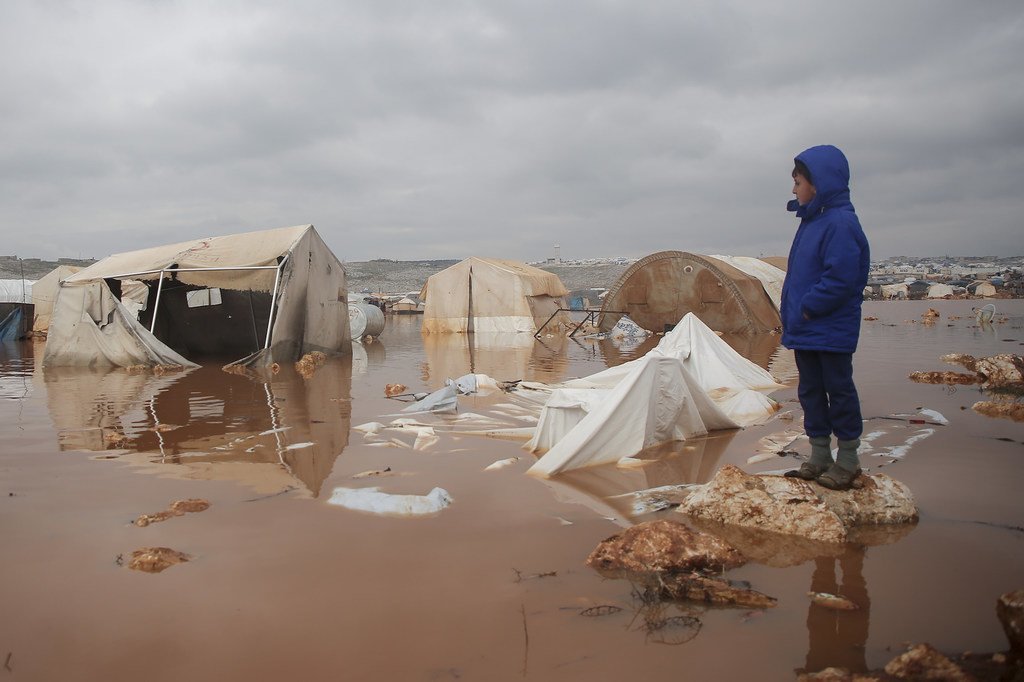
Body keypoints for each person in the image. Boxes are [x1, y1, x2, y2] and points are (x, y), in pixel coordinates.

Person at [781, 145, 870, 491]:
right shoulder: (813, 221)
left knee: (839, 389)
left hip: (829, 326)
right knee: (811, 391)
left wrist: (807, 306)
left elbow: (843, 277)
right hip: (808, 328)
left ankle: (848, 458)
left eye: (798, 181)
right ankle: (820, 455)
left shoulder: (840, 223)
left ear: (817, 184)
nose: (793, 189)